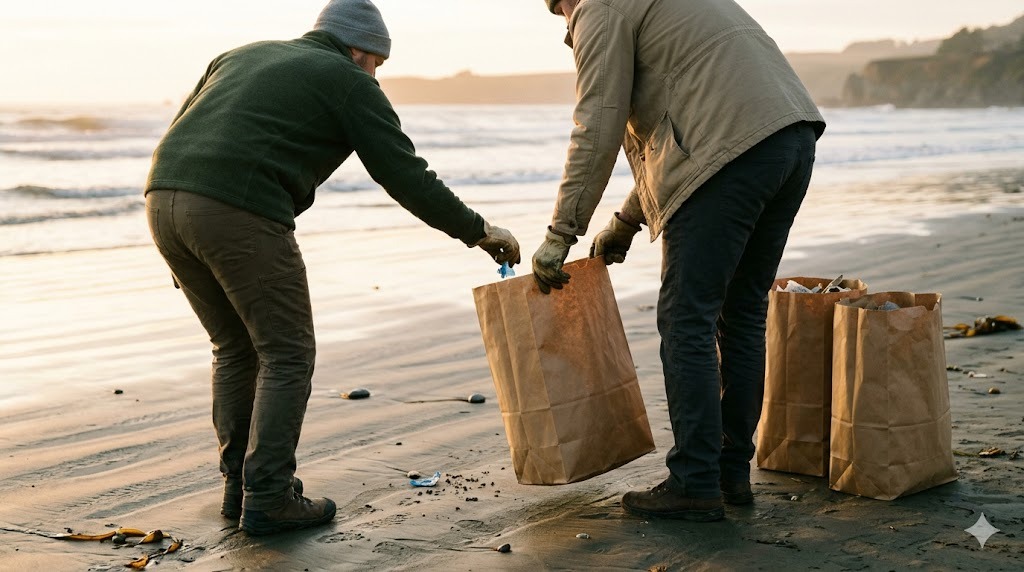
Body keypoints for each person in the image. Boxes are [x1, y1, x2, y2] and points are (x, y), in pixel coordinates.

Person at [144, 0, 520, 536]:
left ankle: (239, 488)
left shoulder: (239, 54)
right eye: (379, 66)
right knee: (287, 352)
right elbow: (405, 174)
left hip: (163, 201)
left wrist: (188, 226)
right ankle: (269, 495)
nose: (376, 77)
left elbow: (186, 129)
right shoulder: (349, 80)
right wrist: (479, 231)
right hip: (239, 209)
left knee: (234, 349)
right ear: (363, 51)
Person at [533, 0, 825, 521]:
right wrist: (625, 222)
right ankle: (730, 474)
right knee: (742, 313)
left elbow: (599, 120)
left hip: (734, 150)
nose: (565, 23)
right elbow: (678, 125)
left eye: (559, 12)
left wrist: (562, 231)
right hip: (791, 134)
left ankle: (694, 480)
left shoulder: (598, 6)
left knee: (686, 317)